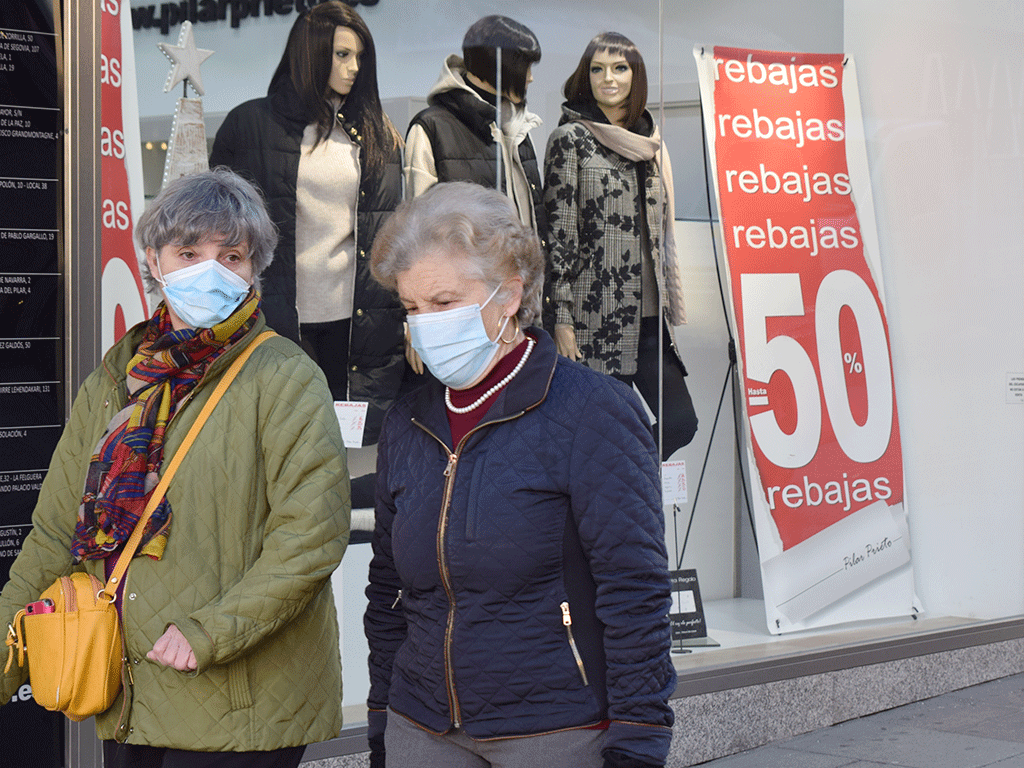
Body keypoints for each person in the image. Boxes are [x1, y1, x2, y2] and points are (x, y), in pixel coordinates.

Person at [0, 169, 350, 768]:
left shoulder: (285, 378)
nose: (208, 270)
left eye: (231, 256)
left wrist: (210, 631)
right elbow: (59, 533)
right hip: (131, 694)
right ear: (154, 261)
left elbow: (309, 539)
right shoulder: (117, 380)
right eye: (189, 252)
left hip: (244, 706)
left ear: (253, 269)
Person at [364, 182, 676, 768]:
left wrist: (639, 736)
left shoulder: (591, 410)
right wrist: (383, 718)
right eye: (411, 308)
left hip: (554, 729)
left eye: (444, 302)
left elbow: (634, 590)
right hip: (421, 725)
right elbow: (388, 589)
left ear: (508, 296)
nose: (424, 325)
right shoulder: (409, 419)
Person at [209, 1, 403, 446]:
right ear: (309, 53)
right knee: (276, 441)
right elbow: (218, 228)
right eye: (341, 55)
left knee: (341, 448)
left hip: (354, 322)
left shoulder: (375, 133)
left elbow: (389, 231)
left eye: (359, 56)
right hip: (277, 314)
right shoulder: (250, 125)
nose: (354, 68)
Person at [543, 32, 698, 460]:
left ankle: (622, 471)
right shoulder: (570, 139)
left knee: (681, 422)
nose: (607, 78)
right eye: (597, 69)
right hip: (596, 318)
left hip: (649, 319)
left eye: (619, 68)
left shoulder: (648, 143)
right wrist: (561, 318)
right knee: (597, 431)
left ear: (636, 75)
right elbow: (558, 237)